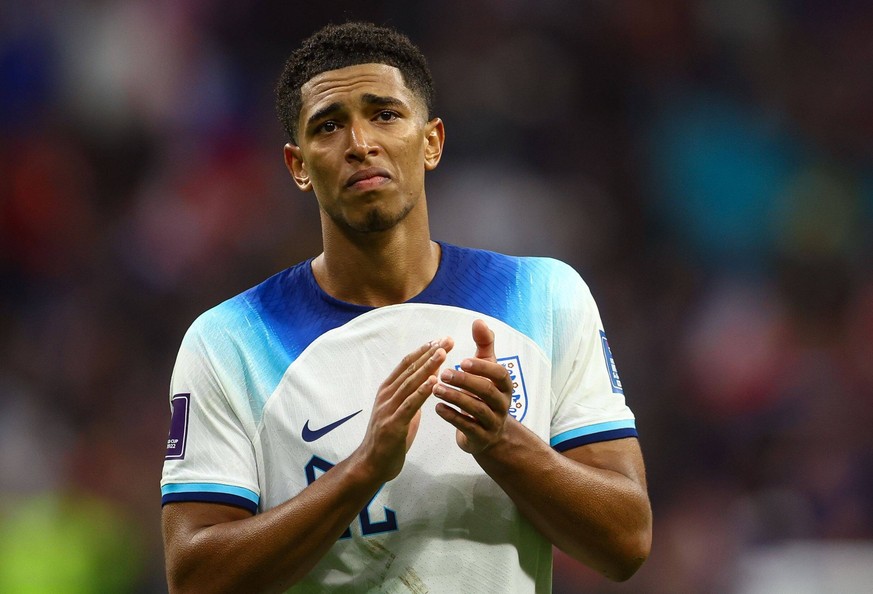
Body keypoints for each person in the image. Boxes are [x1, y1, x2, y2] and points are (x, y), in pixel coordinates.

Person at [160, 21, 652, 593]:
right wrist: (366, 467)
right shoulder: (229, 341)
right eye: (329, 125)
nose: (360, 143)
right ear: (298, 165)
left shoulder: (545, 296)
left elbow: (627, 542)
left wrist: (502, 443)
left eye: (385, 114)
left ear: (431, 142)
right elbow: (193, 578)